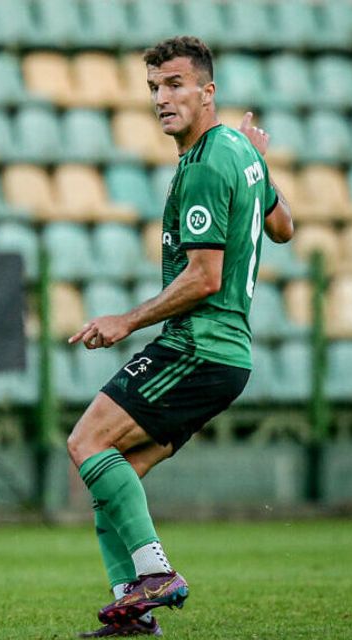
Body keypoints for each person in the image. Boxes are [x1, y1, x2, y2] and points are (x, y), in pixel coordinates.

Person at [65, 36, 295, 637]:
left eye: (173, 85)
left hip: (199, 342)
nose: (161, 100)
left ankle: (155, 574)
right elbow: (285, 227)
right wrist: (261, 166)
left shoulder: (208, 163)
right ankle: (131, 616)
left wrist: (125, 320)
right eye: (152, 89)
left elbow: (204, 276)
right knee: (114, 481)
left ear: (206, 91)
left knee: (87, 442)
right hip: (228, 355)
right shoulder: (237, 153)